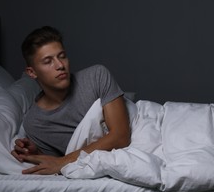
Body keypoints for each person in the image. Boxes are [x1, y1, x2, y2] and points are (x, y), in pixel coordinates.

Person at [11, 26, 131, 175]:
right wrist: (37, 152)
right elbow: (58, 161)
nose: (60, 65)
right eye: (48, 61)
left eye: (62, 56)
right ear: (32, 72)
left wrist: (62, 161)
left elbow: (121, 137)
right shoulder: (34, 123)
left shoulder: (96, 76)